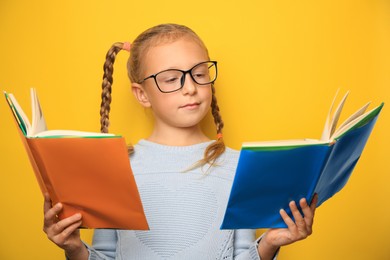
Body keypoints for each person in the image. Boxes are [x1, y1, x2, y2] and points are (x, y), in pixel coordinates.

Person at [43, 23, 318, 260]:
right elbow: (106, 255)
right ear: (142, 94)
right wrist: (75, 249)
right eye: (172, 79)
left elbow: (241, 252)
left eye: (199, 74)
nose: (190, 88)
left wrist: (269, 243)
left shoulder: (238, 166)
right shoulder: (117, 168)